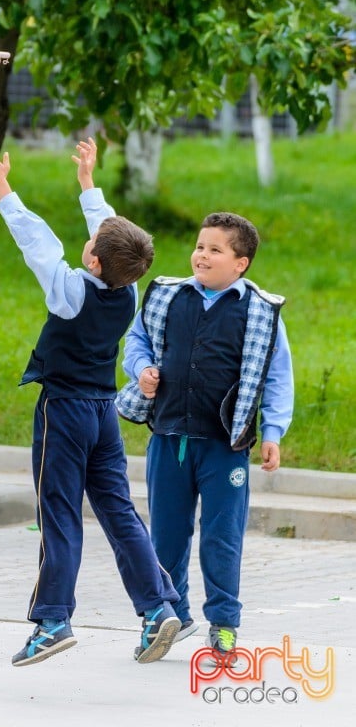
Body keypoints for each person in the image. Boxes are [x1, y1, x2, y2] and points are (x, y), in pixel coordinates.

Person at [0, 138, 180, 668]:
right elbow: (114, 240)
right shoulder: (128, 288)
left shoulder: (70, 290)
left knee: (59, 513)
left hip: (63, 411)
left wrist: (1, 186)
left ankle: (53, 620)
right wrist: (88, 185)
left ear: (91, 257)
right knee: (119, 510)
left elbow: (37, 244)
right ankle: (157, 607)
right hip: (103, 414)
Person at [119, 211, 294, 665]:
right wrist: (142, 371)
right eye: (200, 246)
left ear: (241, 263)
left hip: (224, 447)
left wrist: (273, 431)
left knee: (222, 537)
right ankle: (166, 617)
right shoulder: (168, 297)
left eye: (216, 250)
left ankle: (223, 625)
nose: (202, 255)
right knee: (166, 536)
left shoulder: (259, 310)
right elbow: (135, 343)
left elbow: (277, 378)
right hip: (169, 437)